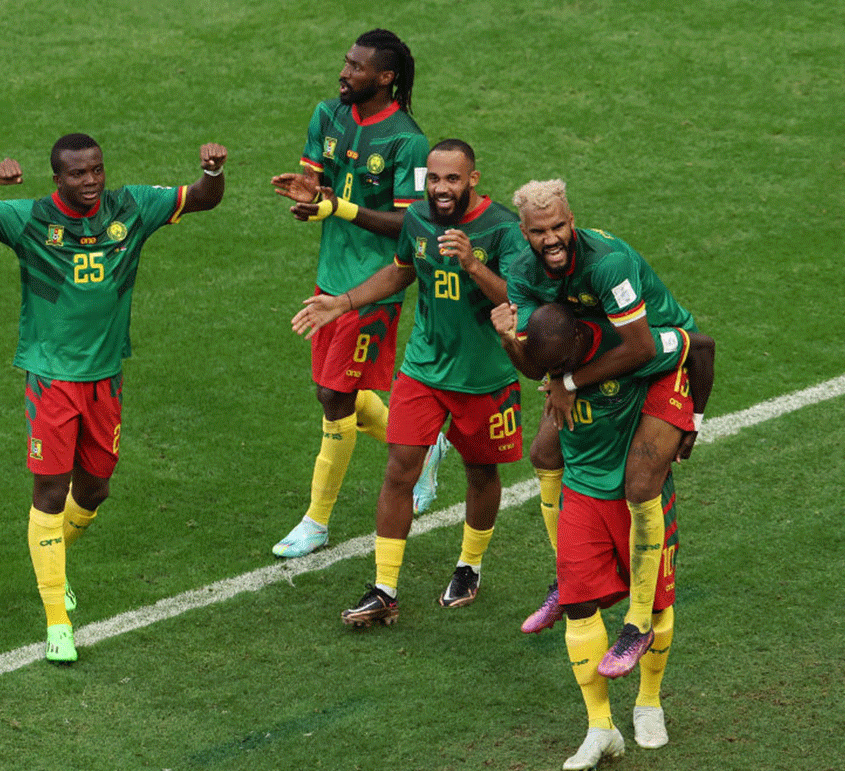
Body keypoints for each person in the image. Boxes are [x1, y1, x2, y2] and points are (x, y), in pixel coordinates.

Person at [0, 134, 227, 663]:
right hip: (51, 377)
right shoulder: (29, 219)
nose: (91, 180)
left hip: (105, 377)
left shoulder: (131, 208)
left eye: (97, 169)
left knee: (94, 490)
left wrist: (211, 172)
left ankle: (53, 563)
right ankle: (58, 621)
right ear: (58, 179)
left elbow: (203, 197)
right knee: (49, 491)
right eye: (78, 174)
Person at [290, 139, 526, 624]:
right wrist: (344, 302)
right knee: (401, 470)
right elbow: (400, 272)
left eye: (452, 179)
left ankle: (469, 566)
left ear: (473, 180)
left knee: (481, 472)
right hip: (423, 368)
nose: (441, 188)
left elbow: (522, 298)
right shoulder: (417, 219)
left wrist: (473, 264)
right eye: (434, 179)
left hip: (484, 376)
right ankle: (384, 589)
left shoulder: (502, 227)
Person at [495, 178, 704, 682]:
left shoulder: (608, 263)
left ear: (573, 220)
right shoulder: (521, 273)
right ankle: (566, 580)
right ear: (524, 232)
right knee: (544, 455)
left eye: (560, 226)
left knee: (639, 482)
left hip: (657, 356)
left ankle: (637, 622)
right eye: (540, 230)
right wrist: (509, 341)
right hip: (594, 355)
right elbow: (536, 361)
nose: (553, 238)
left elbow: (640, 350)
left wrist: (566, 381)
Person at [522, 302, 715, 771]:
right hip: (582, 493)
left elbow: (702, 345)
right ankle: (600, 729)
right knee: (578, 606)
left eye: (562, 367)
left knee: (657, 603)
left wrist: (694, 423)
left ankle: (649, 703)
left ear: (576, 345)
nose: (556, 378)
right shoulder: (553, 360)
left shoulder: (632, 350)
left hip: (637, 498)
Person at [270, 29, 429, 559]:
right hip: (330, 275)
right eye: (346, 62)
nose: (344, 72)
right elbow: (319, 184)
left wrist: (336, 207)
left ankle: (316, 521)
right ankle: (422, 448)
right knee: (330, 390)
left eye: (357, 67)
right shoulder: (328, 115)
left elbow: (410, 228)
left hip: (376, 286)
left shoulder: (408, 142)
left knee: (336, 397)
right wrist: (309, 195)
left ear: (385, 78)